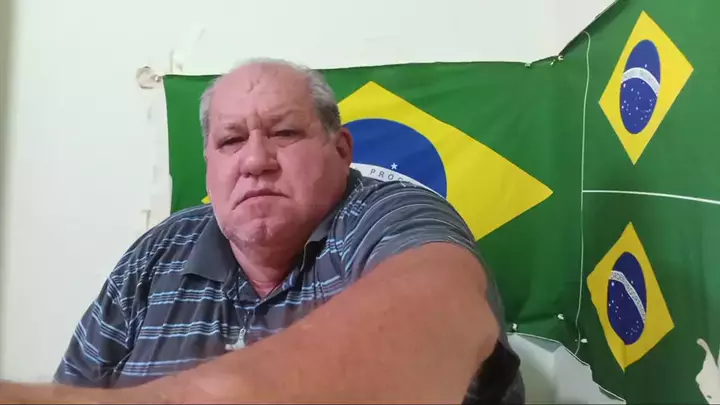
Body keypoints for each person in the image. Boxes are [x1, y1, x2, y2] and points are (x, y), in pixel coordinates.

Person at [0, 58, 524, 404]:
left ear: (341, 150)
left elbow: (435, 318)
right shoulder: (154, 255)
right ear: (209, 163)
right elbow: (74, 386)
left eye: (285, 132)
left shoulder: (397, 216)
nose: (255, 161)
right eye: (231, 140)